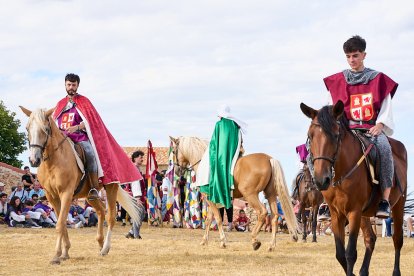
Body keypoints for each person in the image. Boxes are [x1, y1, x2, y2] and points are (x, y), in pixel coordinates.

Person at [323, 35, 398, 218]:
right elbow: (330, 109)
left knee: (385, 150)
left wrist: (380, 124)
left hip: (371, 129)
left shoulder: (379, 79)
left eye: (355, 55)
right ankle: (326, 200)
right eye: (348, 56)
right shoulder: (338, 81)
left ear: (364, 55)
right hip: (346, 129)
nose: (352, 60)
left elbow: (386, 106)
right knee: (319, 152)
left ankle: (384, 201)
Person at [53, 74, 143, 200]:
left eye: (74, 85)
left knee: (89, 154)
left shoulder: (84, 101)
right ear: (65, 85)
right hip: (62, 137)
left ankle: (94, 187)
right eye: (69, 84)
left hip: (79, 137)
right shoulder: (60, 104)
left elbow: (91, 121)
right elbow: (54, 121)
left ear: (78, 85)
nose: (71, 87)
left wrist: (76, 127)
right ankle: (48, 187)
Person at [199, 104, 247, 212]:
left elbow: (214, 142)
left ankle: (215, 189)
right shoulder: (235, 124)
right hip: (232, 153)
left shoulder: (219, 124)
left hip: (221, 154)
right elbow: (239, 140)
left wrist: (210, 152)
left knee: (211, 166)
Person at [126, 150, 146, 239]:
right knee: (138, 214)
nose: (142, 159)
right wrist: (137, 197)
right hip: (134, 195)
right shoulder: (134, 168)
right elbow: (135, 183)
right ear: (135, 158)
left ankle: (131, 232)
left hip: (136, 195)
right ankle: (136, 235)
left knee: (141, 213)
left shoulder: (136, 168)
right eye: (140, 157)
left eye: (142, 157)